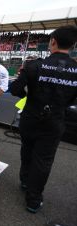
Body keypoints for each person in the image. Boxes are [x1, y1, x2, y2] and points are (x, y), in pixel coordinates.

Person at [10, 25, 77, 213]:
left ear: (53, 41)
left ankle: (25, 181)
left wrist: (29, 95)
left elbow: (15, 89)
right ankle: (33, 199)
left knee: (27, 151)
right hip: (55, 121)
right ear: (73, 45)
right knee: (44, 160)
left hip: (31, 117)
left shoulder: (34, 65)